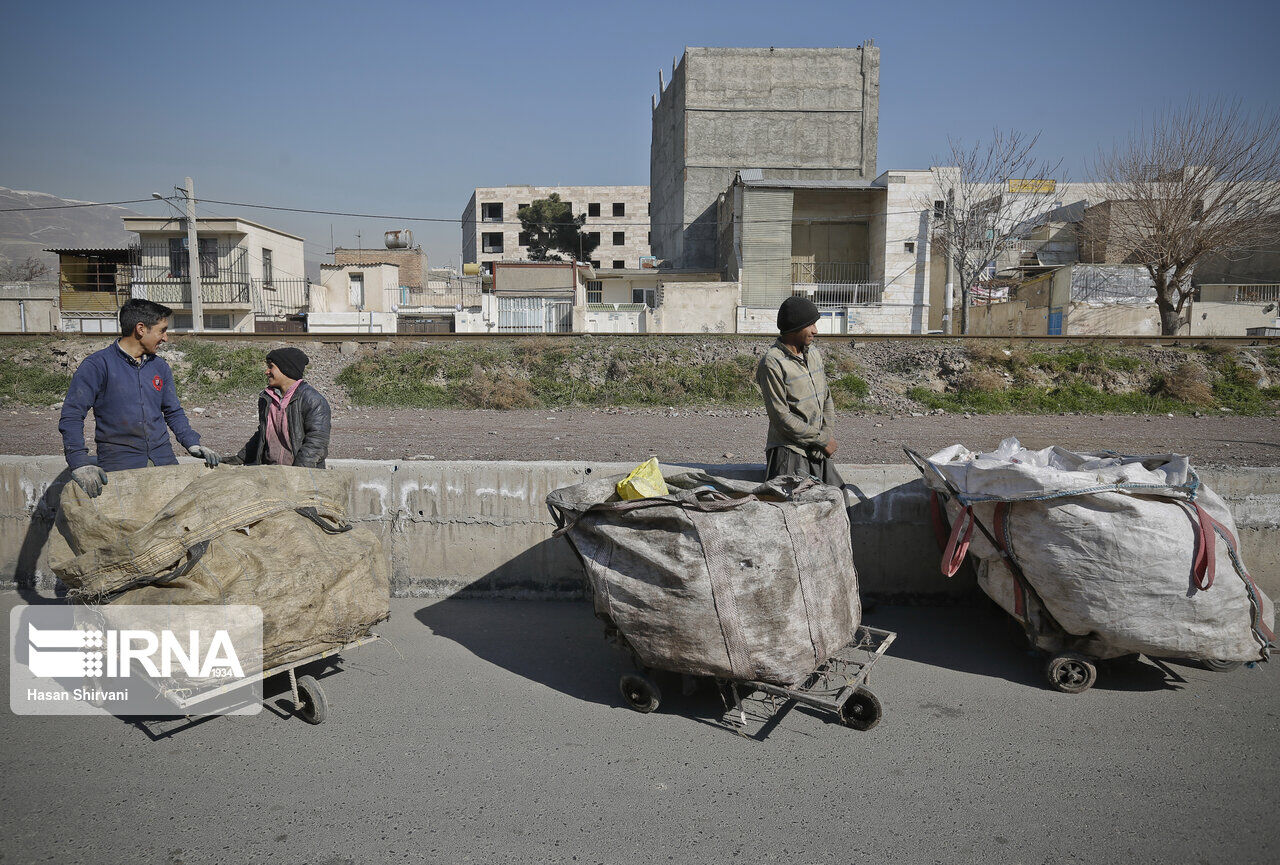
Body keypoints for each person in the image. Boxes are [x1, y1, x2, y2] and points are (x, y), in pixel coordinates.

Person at [59, 299, 220, 498]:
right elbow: (72, 416)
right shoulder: (97, 365)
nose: (166, 338)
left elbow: (173, 411)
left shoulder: (159, 367)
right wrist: (80, 463)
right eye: (162, 331)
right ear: (141, 329)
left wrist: (192, 442)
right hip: (121, 466)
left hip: (163, 461)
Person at [755, 295, 844, 486]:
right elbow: (781, 418)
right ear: (794, 328)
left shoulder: (813, 353)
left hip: (817, 448)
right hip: (790, 452)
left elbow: (826, 398)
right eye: (810, 325)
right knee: (796, 508)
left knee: (838, 498)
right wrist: (821, 440)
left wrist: (824, 437)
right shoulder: (772, 363)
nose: (816, 331)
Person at [231, 347, 331, 468]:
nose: (267, 372)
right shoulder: (266, 398)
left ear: (286, 369)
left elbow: (316, 443)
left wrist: (296, 475)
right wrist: (239, 458)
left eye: (271, 366)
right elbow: (262, 435)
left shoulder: (313, 400)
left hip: (301, 476)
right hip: (272, 474)